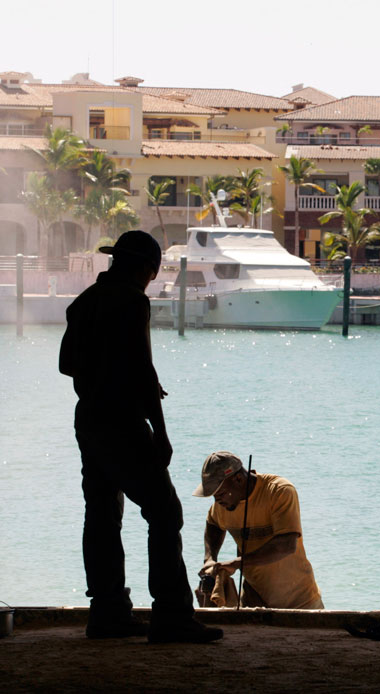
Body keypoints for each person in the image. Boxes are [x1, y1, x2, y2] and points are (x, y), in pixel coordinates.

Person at [59, 230, 222, 643]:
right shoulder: (132, 301)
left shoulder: (85, 302)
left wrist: (104, 373)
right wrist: (161, 433)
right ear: (145, 269)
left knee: (101, 514)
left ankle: (107, 612)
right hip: (121, 422)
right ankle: (170, 616)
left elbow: (66, 365)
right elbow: (143, 373)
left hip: (89, 420)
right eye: (152, 272)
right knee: (165, 513)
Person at [195, 452, 323, 609]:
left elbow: (286, 545)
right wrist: (209, 558)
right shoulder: (224, 503)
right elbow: (213, 523)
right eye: (213, 496)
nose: (217, 501)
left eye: (219, 493)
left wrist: (236, 564)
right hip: (253, 599)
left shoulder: (279, 491)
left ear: (238, 479)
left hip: (299, 601)